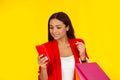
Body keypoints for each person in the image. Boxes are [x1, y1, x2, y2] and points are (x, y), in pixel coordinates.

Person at [36, 12, 89, 80]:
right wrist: (43, 67)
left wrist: (83, 57)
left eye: (58, 27)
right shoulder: (46, 48)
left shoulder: (78, 43)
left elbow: (87, 75)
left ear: (67, 27)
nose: (54, 31)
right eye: (51, 28)